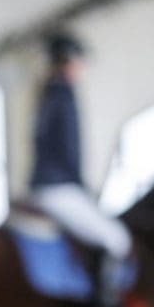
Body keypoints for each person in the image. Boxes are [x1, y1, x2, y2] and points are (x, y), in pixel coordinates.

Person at [28, 30, 133, 293]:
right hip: (59, 187)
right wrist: (79, 185)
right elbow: (68, 149)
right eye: (79, 62)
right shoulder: (64, 95)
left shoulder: (47, 94)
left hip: (48, 184)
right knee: (118, 240)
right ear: (69, 61)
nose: (82, 68)